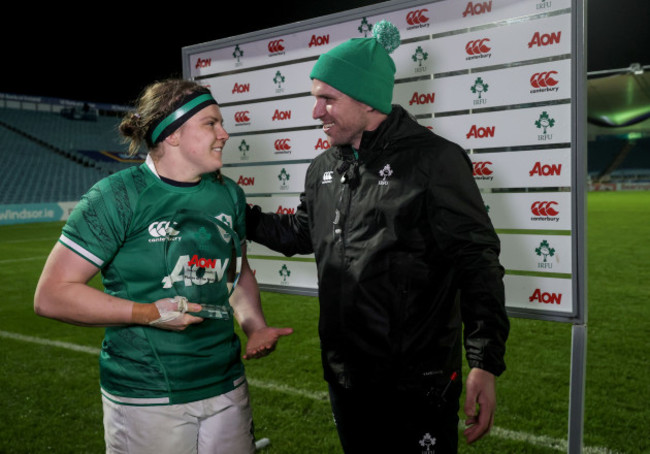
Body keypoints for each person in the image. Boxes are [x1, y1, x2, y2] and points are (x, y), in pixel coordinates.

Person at [245, 21, 509, 453]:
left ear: (368, 100)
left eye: (327, 99)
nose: (316, 113)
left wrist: (483, 362)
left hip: (416, 381)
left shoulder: (435, 161)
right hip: (345, 375)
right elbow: (299, 233)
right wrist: (241, 215)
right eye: (315, 99)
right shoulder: (322, 168)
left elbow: (478, 265)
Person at [34, 79, 292, 454]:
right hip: (147, 394)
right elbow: (51, 295)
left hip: (226, 384)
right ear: (172, 134)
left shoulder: (229, 193)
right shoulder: (116, 196)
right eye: (211, 123)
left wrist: (254, 326)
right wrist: (148, 313)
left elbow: (237, 271)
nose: (225, 133)